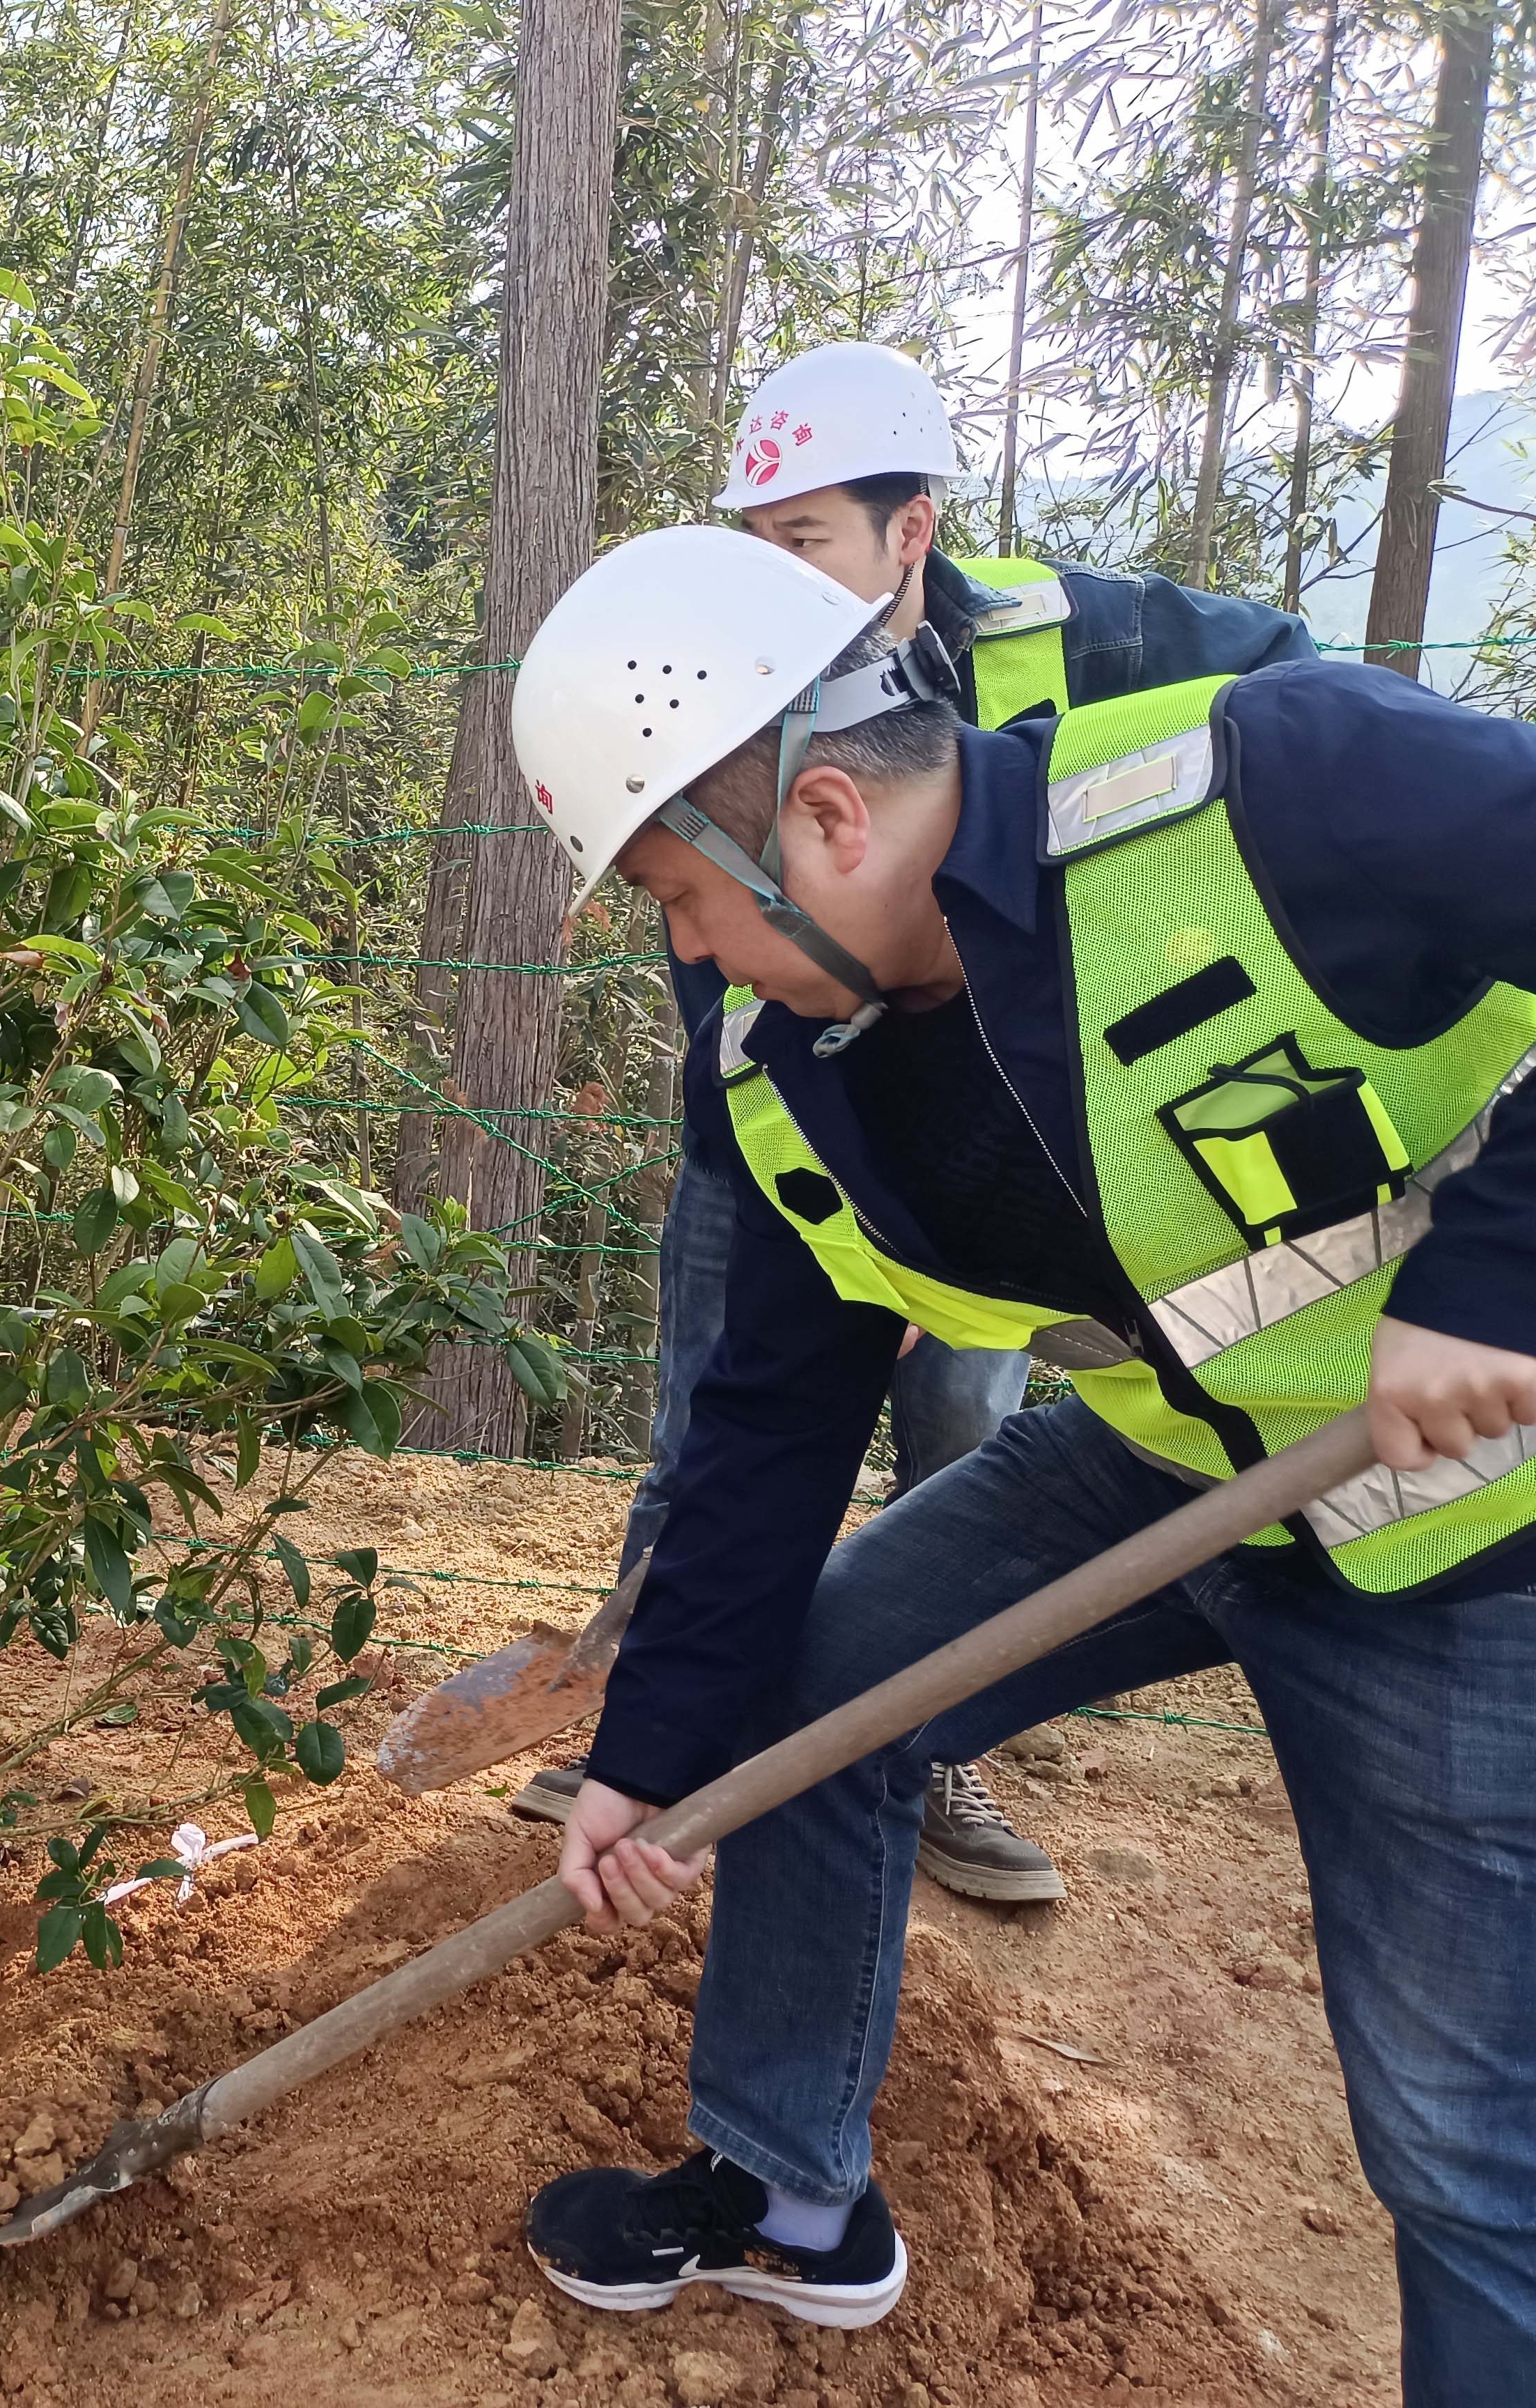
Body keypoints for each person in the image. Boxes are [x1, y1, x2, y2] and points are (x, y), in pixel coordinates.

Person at [507, 523, 1536, 2397]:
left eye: (681, 896)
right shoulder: (782, 1063)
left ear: (825, 818)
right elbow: (772, 1422)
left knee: (1462, 2145)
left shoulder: (1272, 788)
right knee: (816, 1696)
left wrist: (1503, 1274)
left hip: (1484, 1531)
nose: (686, 953)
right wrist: (653, 1755)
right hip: (1170, 1471)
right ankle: (792, 2198)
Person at [518, 341, 1317, 1908]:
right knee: (727, 1414)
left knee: (961, 1430)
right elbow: (729, 972)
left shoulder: (1082, 646)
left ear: (912, 532)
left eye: (809, 538)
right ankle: (661, 1718)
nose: (781, 579)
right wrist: (844, 1220)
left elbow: (1301, 727)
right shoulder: (728, 698)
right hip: (799, 1119)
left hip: (1053, 1140)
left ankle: (930, 1745)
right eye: (760, 543)